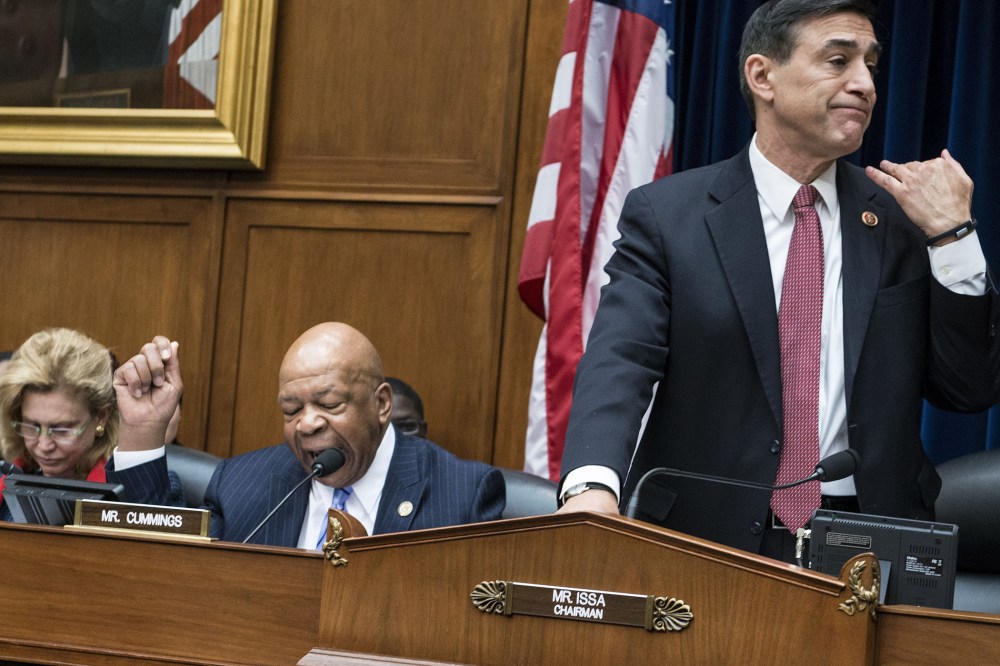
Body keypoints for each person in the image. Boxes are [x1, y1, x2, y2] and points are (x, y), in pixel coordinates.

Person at [556, 0, 1000, 564]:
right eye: (838, 60)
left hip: (872, 540)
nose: (864, 83)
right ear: (762, 75)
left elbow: (968, 389)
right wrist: (592, 484)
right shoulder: (668, 217)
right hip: (703, 536)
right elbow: (621, 359)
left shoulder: (903, 221)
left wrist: (954, 238)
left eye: (871, 65)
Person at [106, 322, 505, 547]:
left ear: (381, 404)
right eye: (291, 410)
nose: (307, 424)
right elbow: (164, 560)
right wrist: (143, 431)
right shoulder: (244, 483)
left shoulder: (462, 496)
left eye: (329, 404)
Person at [0, 329, 119, 521]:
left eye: (61, 429)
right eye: (32, 426)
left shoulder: (138, 491)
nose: (44, 445)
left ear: (102, 417)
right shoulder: (6, 484)